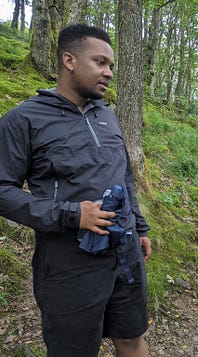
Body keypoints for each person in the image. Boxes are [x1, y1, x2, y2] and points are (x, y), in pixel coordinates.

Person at [0, 24, 152, 357]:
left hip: (125, 252)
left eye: (111, 65)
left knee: (132, 338)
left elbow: (124, 175)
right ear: (69, 60)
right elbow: (2, 191)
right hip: (69, 263)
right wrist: (72, 215)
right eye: (100, 62)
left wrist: (139, 227)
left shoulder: (108, 116)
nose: (109, 72)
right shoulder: (24, 119)